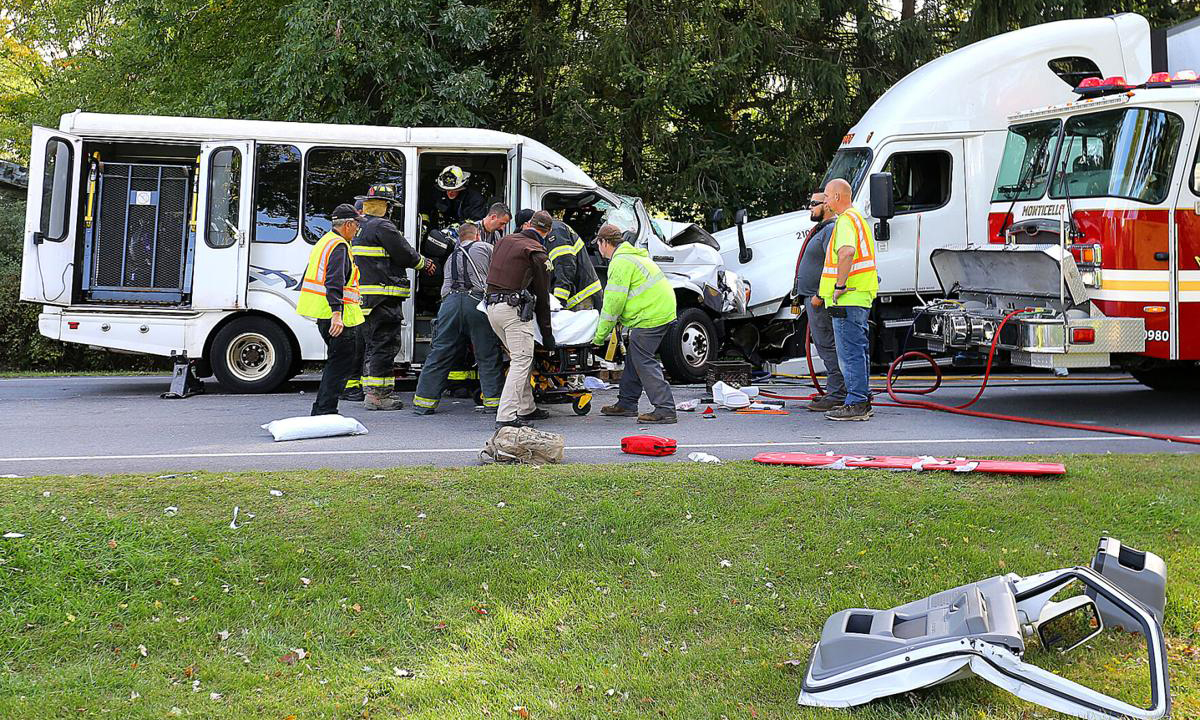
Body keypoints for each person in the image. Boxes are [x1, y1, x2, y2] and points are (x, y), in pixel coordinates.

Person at [353, 184, 436, 410]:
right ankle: (378, 396)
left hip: (366, 299)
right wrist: (425, 263)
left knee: (372, 346)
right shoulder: (383, 226)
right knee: (385, 345)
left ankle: (371, 392)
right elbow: (404, 254)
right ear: (386, 206)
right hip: (383, 298)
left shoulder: (360, 227)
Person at [412, 223, 504, 415]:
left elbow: (445, 287)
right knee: (487, 354)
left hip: (450, 304)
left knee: (439, 353)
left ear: (459, 238)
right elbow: (500, 273)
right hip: (476, 303)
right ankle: (493, 403)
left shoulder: (451, 257)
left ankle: (423, 402)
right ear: (477, 235)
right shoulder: (486, 248)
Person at [591, 223, 678, 424]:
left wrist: (599, 337)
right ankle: (627, 403)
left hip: (650, 316)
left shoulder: (620, 263)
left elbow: (613, 304)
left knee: (643, 360)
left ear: (605, 242)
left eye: (599, 244)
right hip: (659, 310)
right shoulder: (633, 256)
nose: (598, 249)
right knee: (635, 357)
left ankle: (665, 409)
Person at [484, 210, 556, 429]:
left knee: (519, 358)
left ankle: (527, 407)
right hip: (513, 312)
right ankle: (506, 415)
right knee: (522, 360)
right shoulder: (537, 253)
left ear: (528, 225)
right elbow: (542, 298)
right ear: (548, 231)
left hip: (492, 309)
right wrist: (547, 334)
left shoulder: (505, 241)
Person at [296, 204, 365, 416]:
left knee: (336, 363)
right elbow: (334, 280)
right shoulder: (339, 246)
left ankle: (323, 409)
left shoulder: (324, 242)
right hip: (338, 317)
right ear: (348, 224)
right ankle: (325, 410)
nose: (358, 230)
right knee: (339, 365)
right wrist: (337, 313)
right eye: (356, 226)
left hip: (324, 315)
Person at [819, 178, 879, 421]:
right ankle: (862, 398)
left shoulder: (845, 221)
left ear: (836, 197)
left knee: (849, 351)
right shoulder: (858, 219)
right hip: (860, 295)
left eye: (826, 195)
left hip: (847, 296)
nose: (824, 200)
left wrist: (839, 285)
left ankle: (856, 402)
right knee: (858, 349)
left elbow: (847, 252)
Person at [791, 191, 845, 412]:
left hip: (819, 300)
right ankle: (838, 389)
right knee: (825, 344)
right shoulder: (821, 229)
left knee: (827, 345)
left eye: (814, 204)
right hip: (812, 297)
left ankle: (838, 393)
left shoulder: (831, 230)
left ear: (828, 205)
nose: (810, 207)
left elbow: (831, 266)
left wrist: (819, 296)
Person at [515, 208, 601, 310]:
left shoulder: (556, 233)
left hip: (580, 296)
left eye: (522, 230)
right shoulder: (546, 234)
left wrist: (559, 302)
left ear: (527, 224)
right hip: (573, 295)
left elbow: (565, 268)